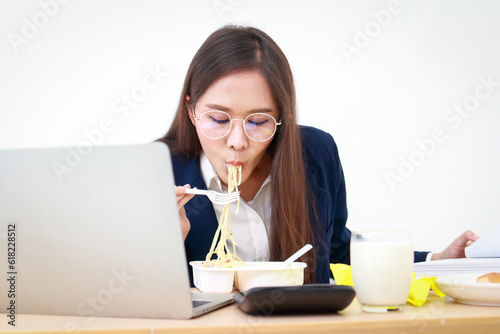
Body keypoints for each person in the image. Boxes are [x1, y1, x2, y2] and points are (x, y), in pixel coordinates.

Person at [157, 25, 479, 284]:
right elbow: (123, 295)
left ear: (281, 118)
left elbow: (339, 252)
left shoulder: (316, 155)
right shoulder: (155, 172)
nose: (238, 141)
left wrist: (437, 261)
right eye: (218, 119)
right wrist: (161, 247)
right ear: (191, 109)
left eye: (258, 121)